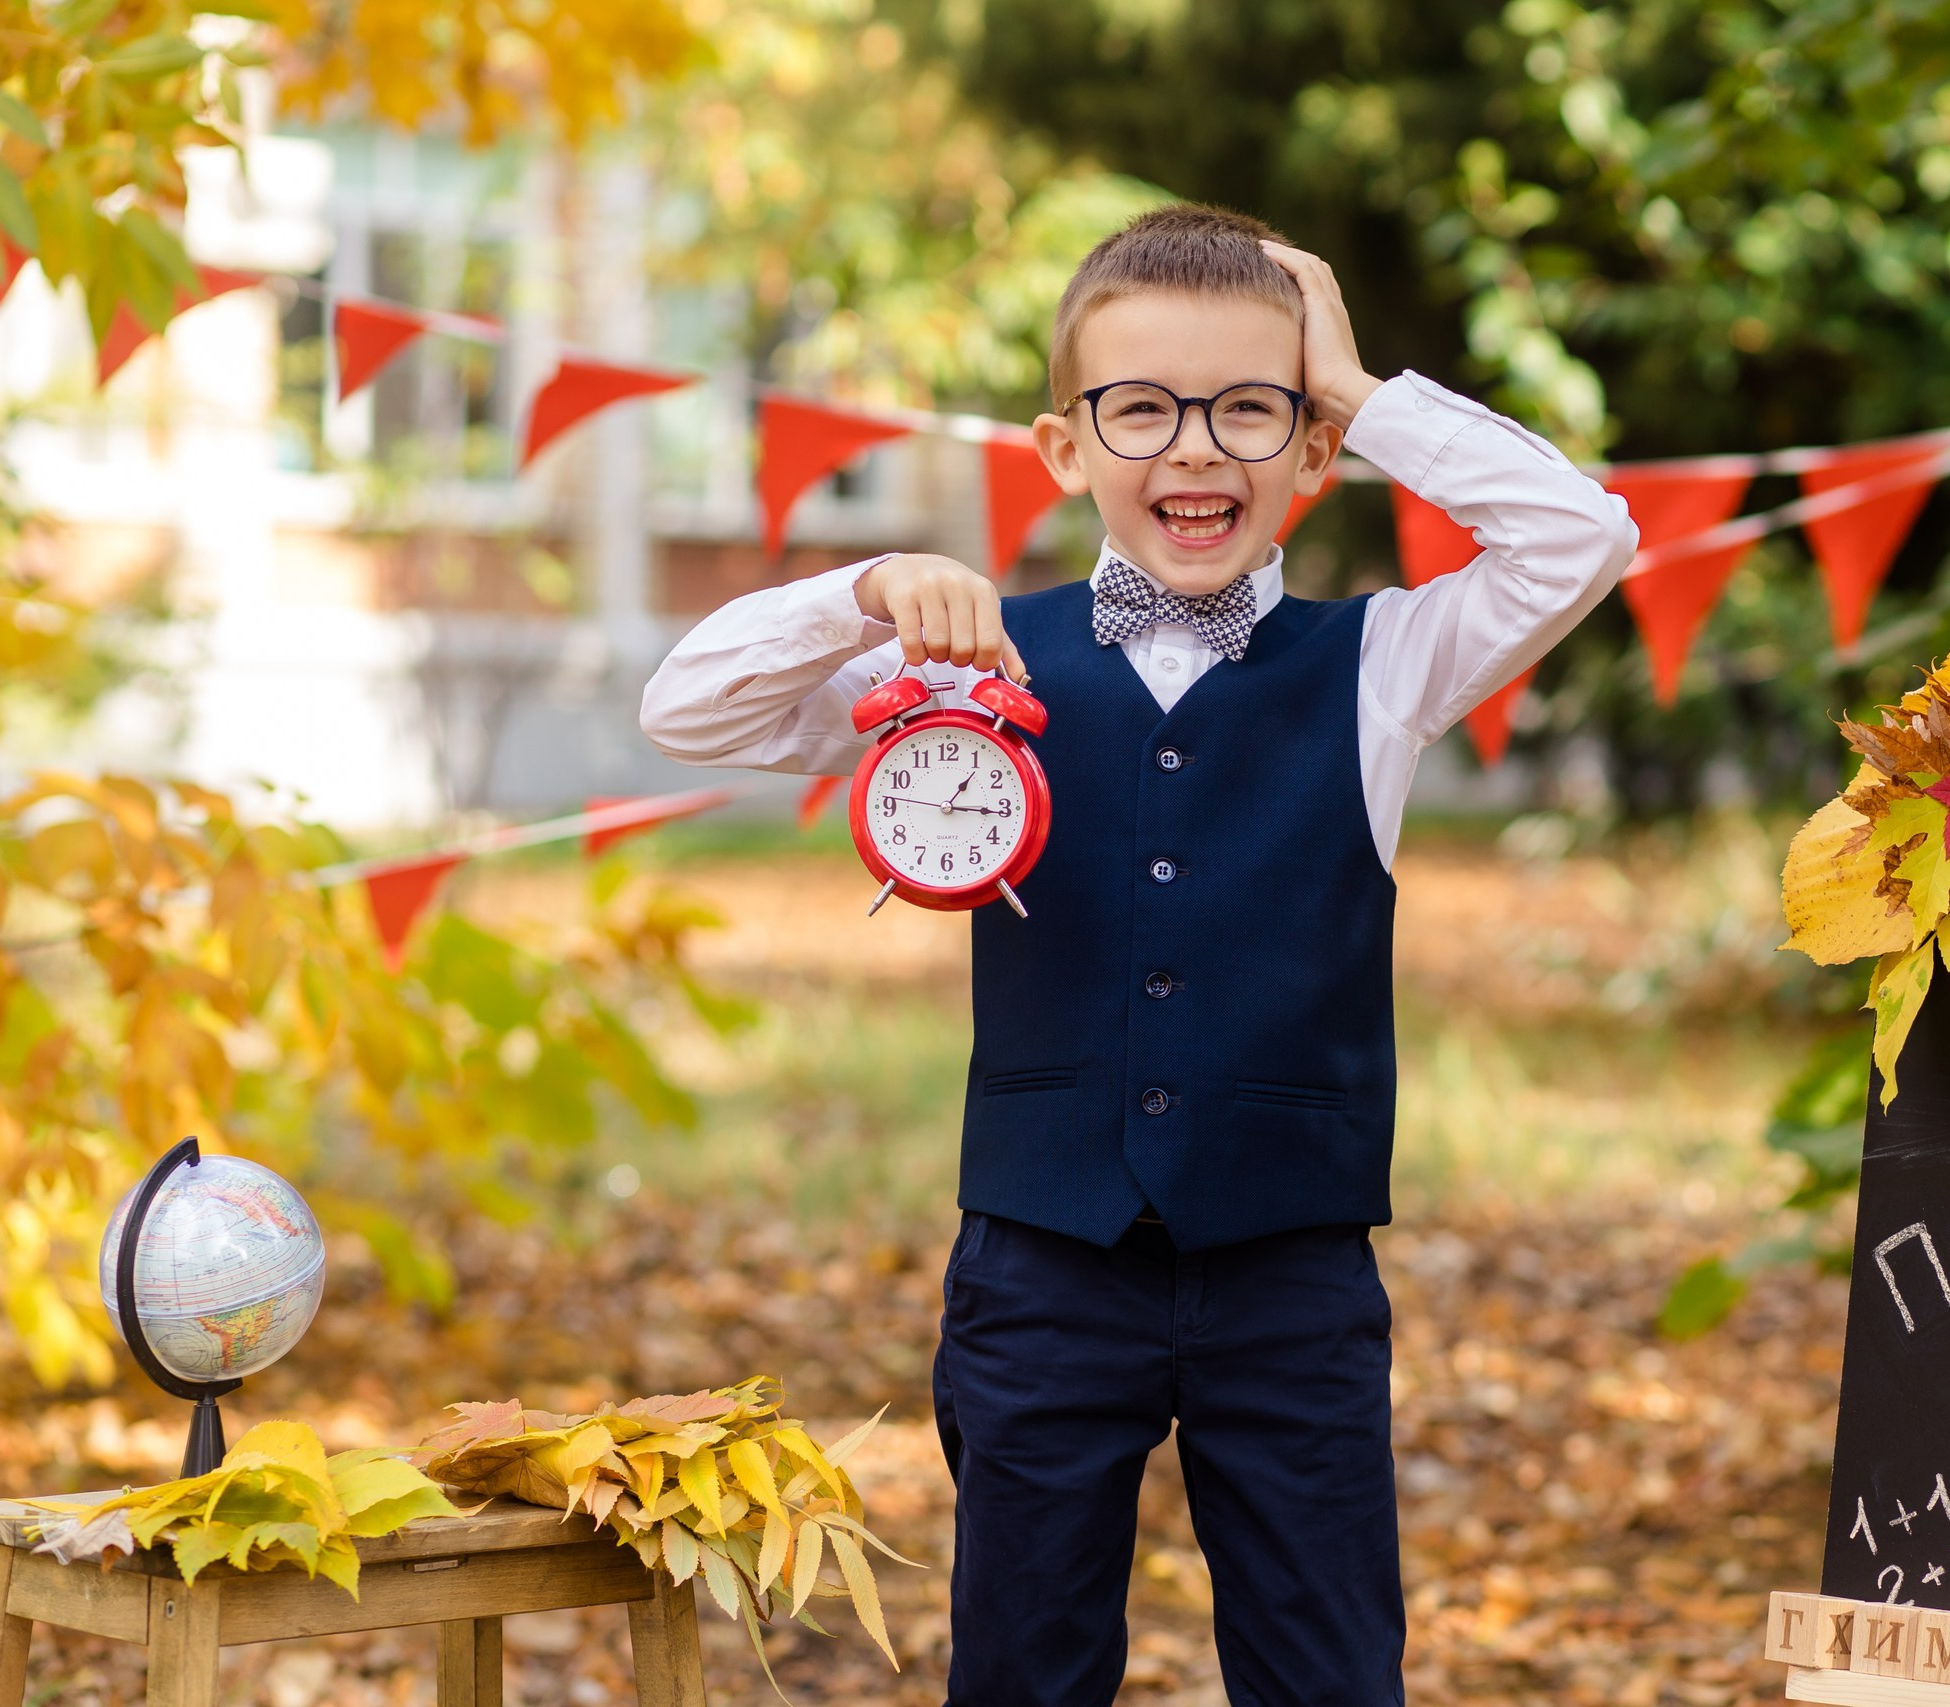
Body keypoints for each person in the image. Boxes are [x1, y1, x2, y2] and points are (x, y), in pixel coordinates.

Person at [640, 203, 1637, 1707]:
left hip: (1292, 1277)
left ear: (1309, 458)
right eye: (1143, 410)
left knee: (1329, 1673)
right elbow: (687, 709)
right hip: (1042, 1269)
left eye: (1250, 412)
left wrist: (1364, 393)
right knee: (1026, 1671)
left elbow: (1587, 534)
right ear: (1065, 448)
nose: (1195, 452)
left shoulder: (1382, 667)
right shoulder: (969, 659)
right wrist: (860, 590)